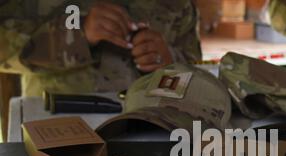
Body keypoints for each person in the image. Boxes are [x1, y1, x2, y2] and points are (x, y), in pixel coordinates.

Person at [0, 0, 202, 96]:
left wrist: (169, 61)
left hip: (152, 133)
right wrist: (75, 34)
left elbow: (196, 68)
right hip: (59, 136)